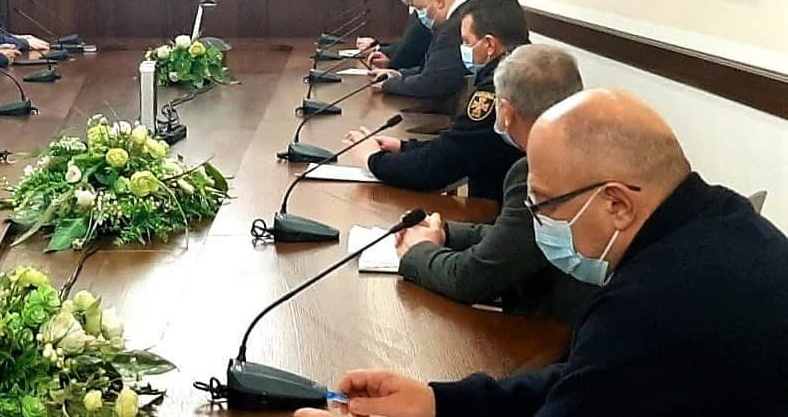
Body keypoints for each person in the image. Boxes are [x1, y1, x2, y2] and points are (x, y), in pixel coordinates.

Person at [299, 90, 788, 417]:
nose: (536, 218)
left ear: (616, 204)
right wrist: (439, 402)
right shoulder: (718, 218)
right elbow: (588, 379)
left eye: (545, 203)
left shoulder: (653, 302)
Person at [395, 44, 597, 323]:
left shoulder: (538, 172)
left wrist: (419, 250)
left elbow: (471, 279)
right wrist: (445, 232)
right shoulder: (590, 151)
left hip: (550, 330)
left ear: (505, 111)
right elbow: (517, 239)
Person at [347, 0, 527, 202]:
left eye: (466, 41)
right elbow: (463, 144)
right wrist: (403, 147)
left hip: (495, 209)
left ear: (489, 44)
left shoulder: (497, 89)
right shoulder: (528, 69)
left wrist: (373, 159)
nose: (462, 48)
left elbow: (437, 167)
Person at [369, 0, 468, 104]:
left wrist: (389, 84)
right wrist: (398, 75)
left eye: (421, 8)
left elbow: (433, 82)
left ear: (439, 2)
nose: (421, 15)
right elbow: (432, 69)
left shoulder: (454, 26)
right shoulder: (464, 13)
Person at [356, 0, 433, 71]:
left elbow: (406, 54)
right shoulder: (418, 12)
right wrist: (377, 47)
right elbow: (404, 43)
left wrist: (387, 61)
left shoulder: (427, 15)